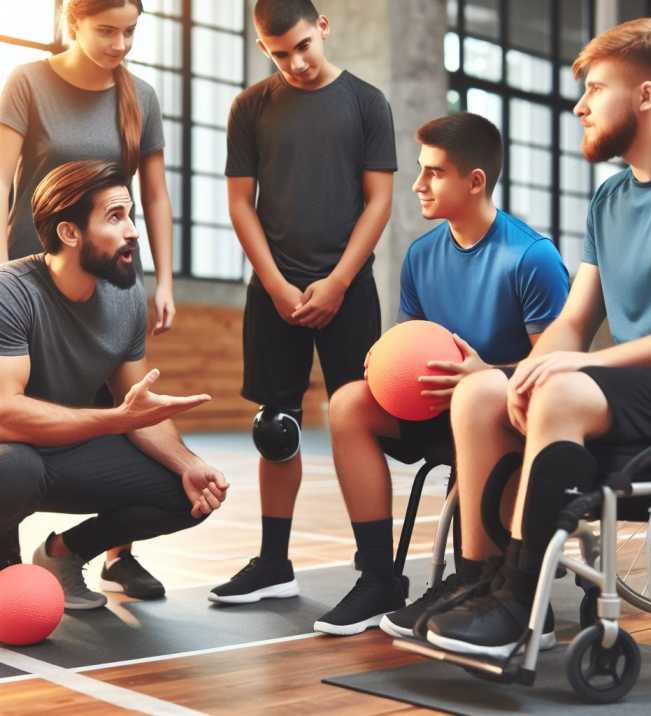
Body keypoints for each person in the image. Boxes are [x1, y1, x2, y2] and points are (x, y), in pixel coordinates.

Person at [425, 17, 651, 658]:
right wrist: (529, 367)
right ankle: (478, 583)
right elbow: (573, 321)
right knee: (478, 396)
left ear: (644, 95)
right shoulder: (608, 199)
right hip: (628, 388)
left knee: (561, 394)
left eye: (596, 89)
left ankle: (521, 604)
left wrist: (585, 366)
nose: (579, 105)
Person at [311, 112, 569, 636]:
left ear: (475, 181)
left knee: (484, 397)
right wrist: (385, 362)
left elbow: (556, 367)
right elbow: (416, 348)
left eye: (433, 172)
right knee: (348, 404)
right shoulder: (421, 255)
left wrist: (486, 373)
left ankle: (491, 586)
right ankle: (379, 578)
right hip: (436, 411)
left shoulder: (532, 257)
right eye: (420, 170)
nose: (418, 184)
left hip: (508, 420)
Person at [210, 0, 396, 604]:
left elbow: (379, 202)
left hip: (349, 289)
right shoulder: (249, 108)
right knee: (275, 426)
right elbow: (241, 204)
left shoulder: (368, 102)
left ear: (323, 27)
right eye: (277, 53)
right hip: (275, 292)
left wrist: (339, 281)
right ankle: (272, 562)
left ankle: (377, 570)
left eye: (302, 46)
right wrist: (276, 285)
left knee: (356, 422)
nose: (295, 62)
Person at [0, 0, 177, 599]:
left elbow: (153, 196)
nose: (121, 44)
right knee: (19, 418)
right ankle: (7, 559)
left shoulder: (141, 96)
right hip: (35, 275)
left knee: (125, 409)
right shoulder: (27, 82)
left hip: (105, 273)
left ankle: (109, 554)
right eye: (107, 31)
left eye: (131, 31)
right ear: (70, 24)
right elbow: (1, 181)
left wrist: (166, 281)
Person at [0, 160, 227, 609]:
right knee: (13, 468)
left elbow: (134, 406)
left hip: (69, 453)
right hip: (14, 453)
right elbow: (6, 415)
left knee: (184, 491)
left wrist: (187, 463)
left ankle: (63, 554)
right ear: (69, 233)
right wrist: (115, 419)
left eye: (131, 216)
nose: (134, 232)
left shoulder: (125, 297)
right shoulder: (11, 291)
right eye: (115, 217)